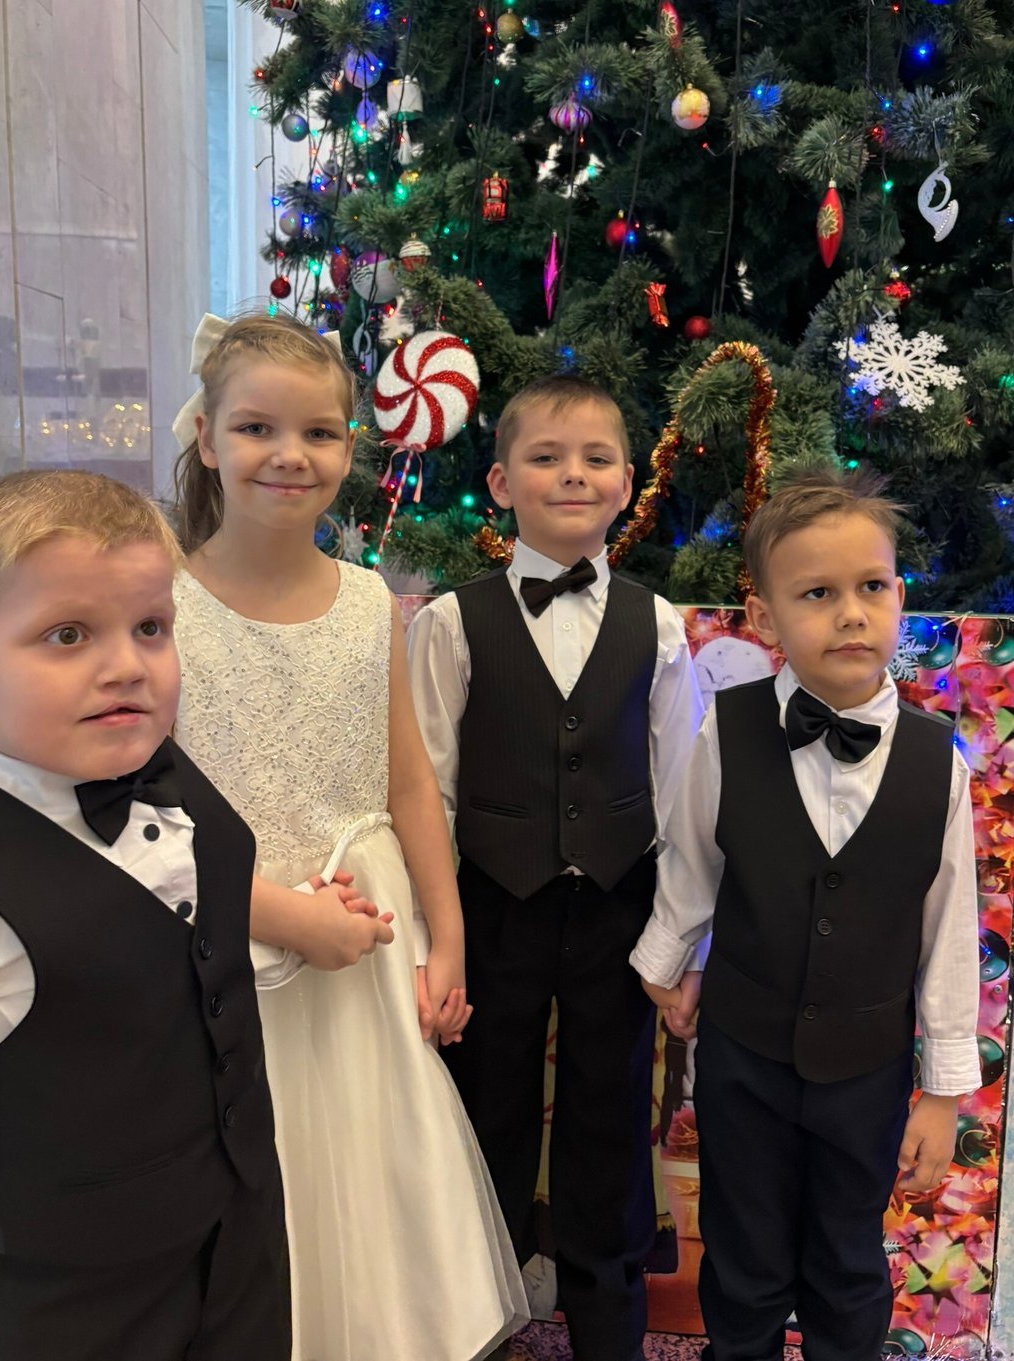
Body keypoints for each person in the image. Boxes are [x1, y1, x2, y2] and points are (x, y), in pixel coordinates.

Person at [169, 311, 527, 1361]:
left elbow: (409, 783)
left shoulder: (371, 601)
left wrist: (447, 940)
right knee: (263, 1172)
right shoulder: (165, 607)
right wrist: (277, 915)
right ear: (207, 439)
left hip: (369, 941)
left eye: (319, 433)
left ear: (349, 449)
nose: (290, 454)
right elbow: (155, 812)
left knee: (376, 1184)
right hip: (229, 939)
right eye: (257, 428)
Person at [632, 469, 982, 1361]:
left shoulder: (938, 762)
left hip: (867, 1070)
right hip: (743, 1058)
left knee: (846, 1262)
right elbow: (693, 858)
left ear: (899, 595)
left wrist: (943, 1092)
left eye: (873, 587)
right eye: (818, 594)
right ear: (764, 617)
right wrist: (673, 963)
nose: (852, 614)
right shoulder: (728, 730)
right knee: (743, 1258)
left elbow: (949, 934)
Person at [407, 375, 704, 1361]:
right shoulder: (451, 622)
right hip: (493, 910)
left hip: (619, 913)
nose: (572, 474)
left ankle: (607, 1325)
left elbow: (681, 791)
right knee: (481, 1106)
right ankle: (475, 1320)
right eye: (545, 457)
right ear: (500, 482)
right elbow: (428, 791)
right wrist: (436, 939)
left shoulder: (658, 626)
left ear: (626, 483)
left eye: (595, 458)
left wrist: (674, 942)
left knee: (607, 1117)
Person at [0, 469, 289, 1361]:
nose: (127, 665)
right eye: (67, 634)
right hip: (70, 1298)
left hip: (238, 1238)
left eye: (150, 627)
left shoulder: (151, 758)